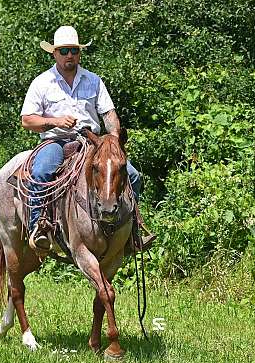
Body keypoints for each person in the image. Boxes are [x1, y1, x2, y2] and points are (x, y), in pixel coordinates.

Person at [20, 25, 155, 251]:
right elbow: (27, 120)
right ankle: (39, 226)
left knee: (132, 175)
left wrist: (113, 139)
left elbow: (109, 115)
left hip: (92, 141)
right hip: (57, 141)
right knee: (41, 171)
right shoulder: (42, 82)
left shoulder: (94, 80)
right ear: (54, 53)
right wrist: (55, 121)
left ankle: (132, 231)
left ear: (79, 52)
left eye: (73, 50)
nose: (69, 55)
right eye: (64, 51)